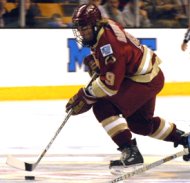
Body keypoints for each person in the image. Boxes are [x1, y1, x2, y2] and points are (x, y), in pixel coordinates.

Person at [66, 3, 190, 169]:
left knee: (102, 107)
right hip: (146, 77)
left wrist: (86, 95)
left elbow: (110, 86)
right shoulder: (105, 26)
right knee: (140, 124)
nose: (81, 32)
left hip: (143, 81)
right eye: (79, 28)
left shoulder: (108, 44)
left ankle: (130, 151)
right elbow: (119, 62)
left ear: (95, 24)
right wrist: (101, 66)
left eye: (85, 27)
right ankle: (184, 139)